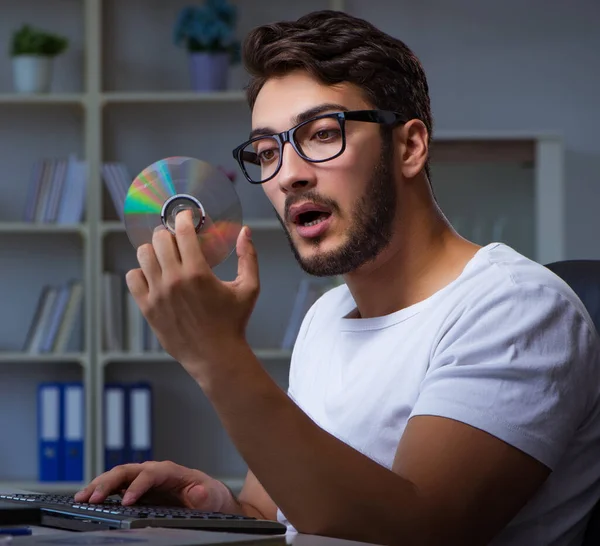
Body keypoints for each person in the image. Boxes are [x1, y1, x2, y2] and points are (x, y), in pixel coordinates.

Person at [75, 10, 600, 546]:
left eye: (323, 134)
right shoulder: (325, 317)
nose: (289, 174)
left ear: (410, 146)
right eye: (267, 152)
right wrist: (219, 506)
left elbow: (421, 530)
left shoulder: (517, 307)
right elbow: (288, 514)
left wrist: (217, 356)